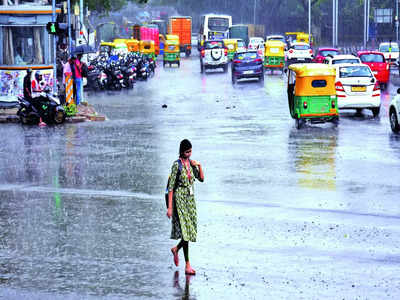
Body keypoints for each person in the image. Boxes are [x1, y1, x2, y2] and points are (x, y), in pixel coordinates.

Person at [167, 139, 204, 275]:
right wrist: (170, 208)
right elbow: (171, 187)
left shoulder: (190, 163)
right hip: (180, 200)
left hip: (190, 201)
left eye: (190, 151)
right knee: (186, 233)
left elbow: (201, 179)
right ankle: (187, 265)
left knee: (191, 231)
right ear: (182, 151)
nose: (189, 154)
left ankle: (176, 249)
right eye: (187, 152)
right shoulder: (177, 165)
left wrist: (199, 165)